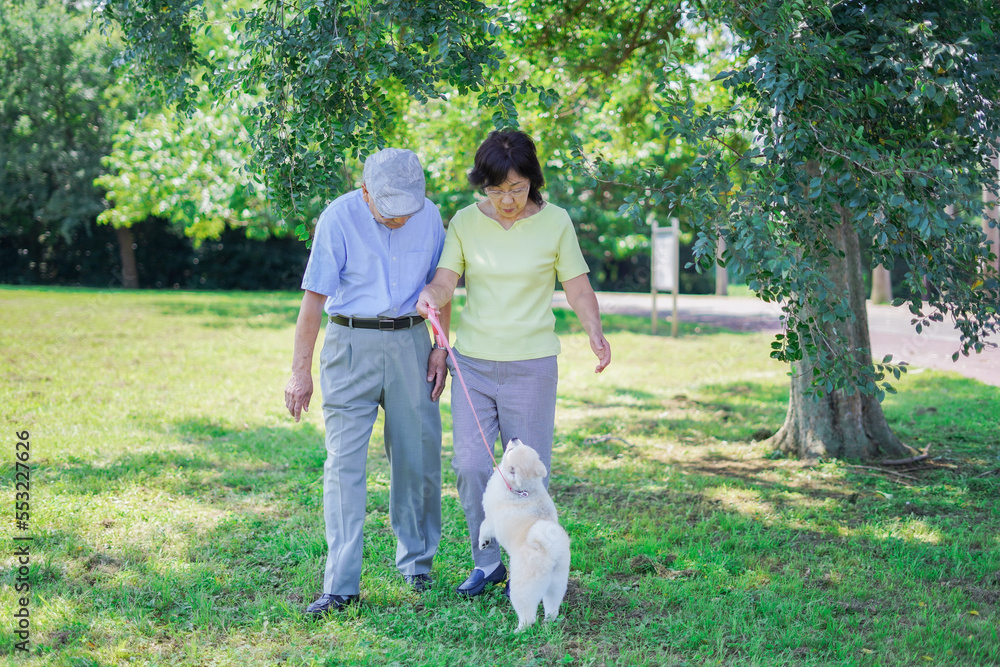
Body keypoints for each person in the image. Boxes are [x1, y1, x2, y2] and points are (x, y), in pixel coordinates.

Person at [416, 129, 611, 597]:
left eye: (517, 189)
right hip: (473, 366)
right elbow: (445, 281)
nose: (507, 200)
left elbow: (578, 287)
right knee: (470, 466)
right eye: (496, 190)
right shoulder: (465, 222)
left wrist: (594, 330)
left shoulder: (556, 222)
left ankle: (530, 563)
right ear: (482, 185)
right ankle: (487, 564)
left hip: (532, 366)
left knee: (526, 478)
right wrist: (431, 296)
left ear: (533, 182)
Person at [285, 148, 450, 616]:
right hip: (350, 343)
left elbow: (441, 289)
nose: (400, 218)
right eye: (389, 208)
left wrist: (441, 346)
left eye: (407, 208)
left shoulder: (429, 216)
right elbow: (313, 302)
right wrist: (299, 371)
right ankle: (341, 585)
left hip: (412, 344)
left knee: (418, 458)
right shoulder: (338, 218)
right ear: (365, 192)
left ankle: (417, 565)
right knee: (344, 465)